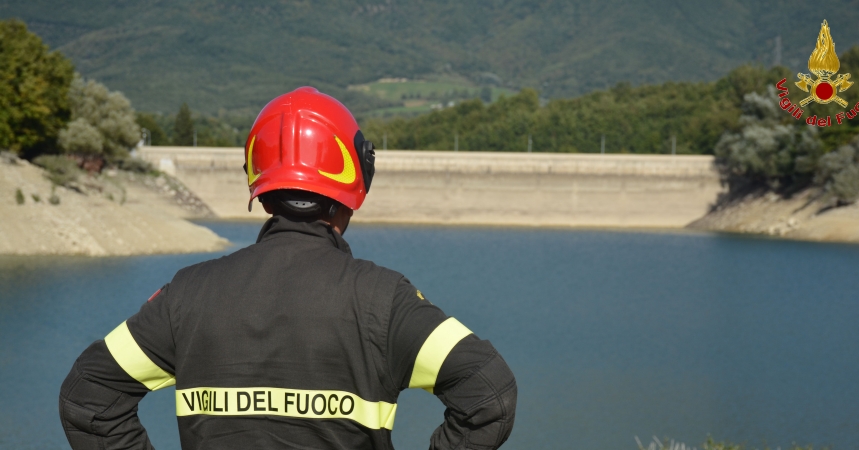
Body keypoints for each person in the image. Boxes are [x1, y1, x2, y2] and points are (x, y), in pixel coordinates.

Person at [58, 87, 517, 450]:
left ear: (258, 179)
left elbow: (88, 396)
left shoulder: (187, 294)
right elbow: (489, 394)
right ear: (356, 179)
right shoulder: (385, 301)